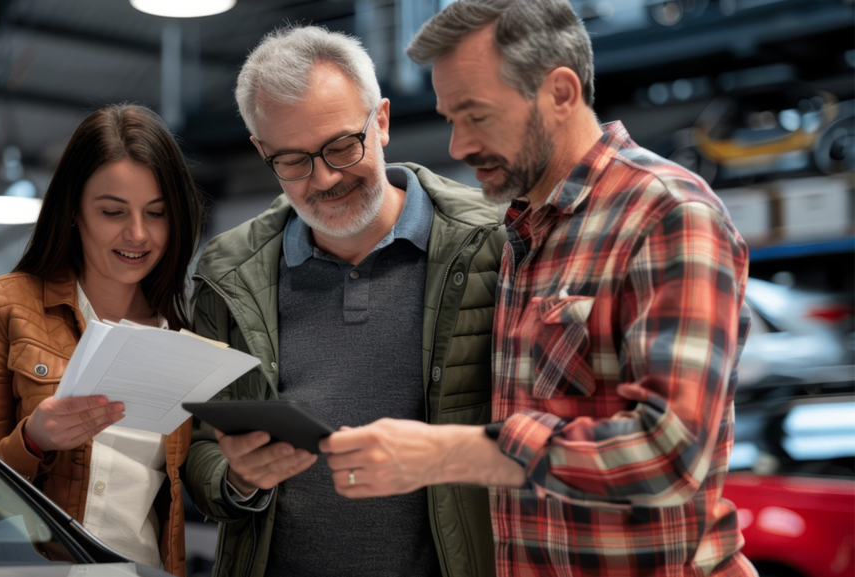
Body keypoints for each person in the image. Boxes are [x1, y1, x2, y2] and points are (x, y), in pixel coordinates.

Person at [319, 1, 756, 575]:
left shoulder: (667, 214)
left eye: (476, 115)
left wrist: (451, 452)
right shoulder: (524, 229)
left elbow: (669, 455)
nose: (457, 146)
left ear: (560, 92)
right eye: (452, 118)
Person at [182, 25, 506, 577]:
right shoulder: (227, 272)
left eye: (340, 146)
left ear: (380, 121)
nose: (325, 177)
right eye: (292, 161)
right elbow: (201, 448)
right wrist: (236, 478)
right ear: (262, 151)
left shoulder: (493, 245)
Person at [0, 104, 204, 576]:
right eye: (112, 211)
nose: (138, 234)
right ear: (74, 210)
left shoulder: (183, 333)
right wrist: (33, 441)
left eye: (157, 213)